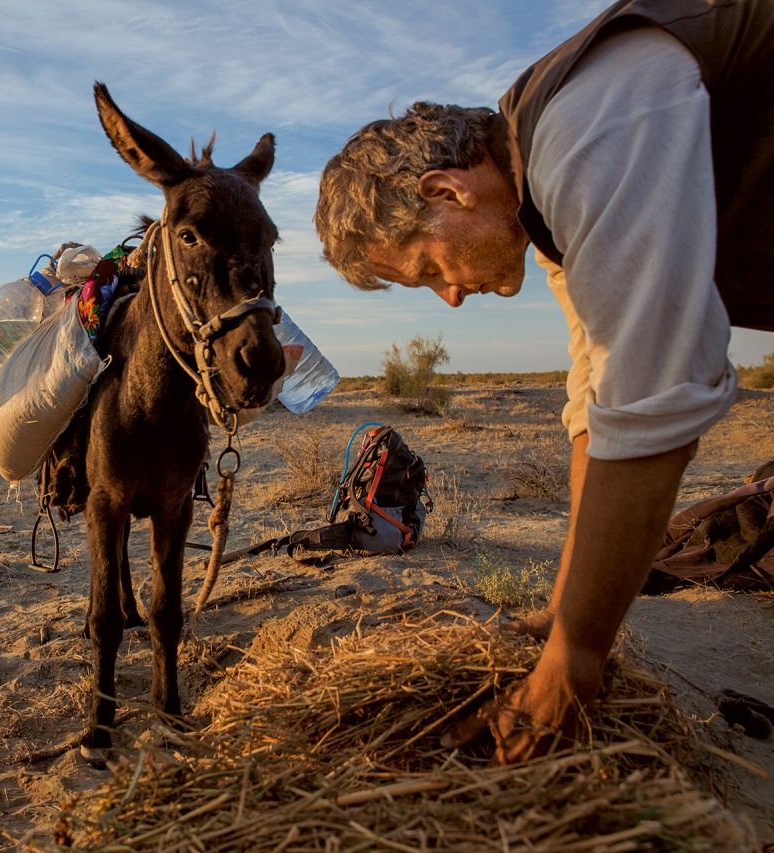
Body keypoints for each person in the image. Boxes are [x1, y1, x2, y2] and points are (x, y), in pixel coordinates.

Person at [314, 0, 773, 763]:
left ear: (445, 191)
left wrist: (577, 659)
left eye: (429, 269)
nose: (451, 298)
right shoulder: (550, 218)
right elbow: (597, 405)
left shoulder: (586, 125)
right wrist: (564, 610)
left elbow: (654, 397)